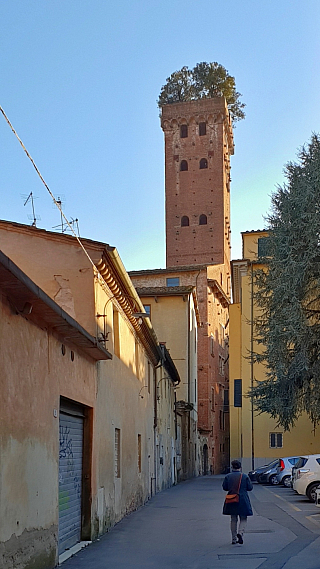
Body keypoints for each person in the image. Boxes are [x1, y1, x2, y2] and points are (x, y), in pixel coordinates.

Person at [222, 459, 253, 544]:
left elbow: (225, 487)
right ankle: (240, 532)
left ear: (232, 467)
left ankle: (233, 538)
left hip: (232, 498)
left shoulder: (228, 476)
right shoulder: (244, 476)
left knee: (233, 519)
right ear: (240, 467)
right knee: (243, 518)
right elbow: (250, 488)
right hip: (243, 499)